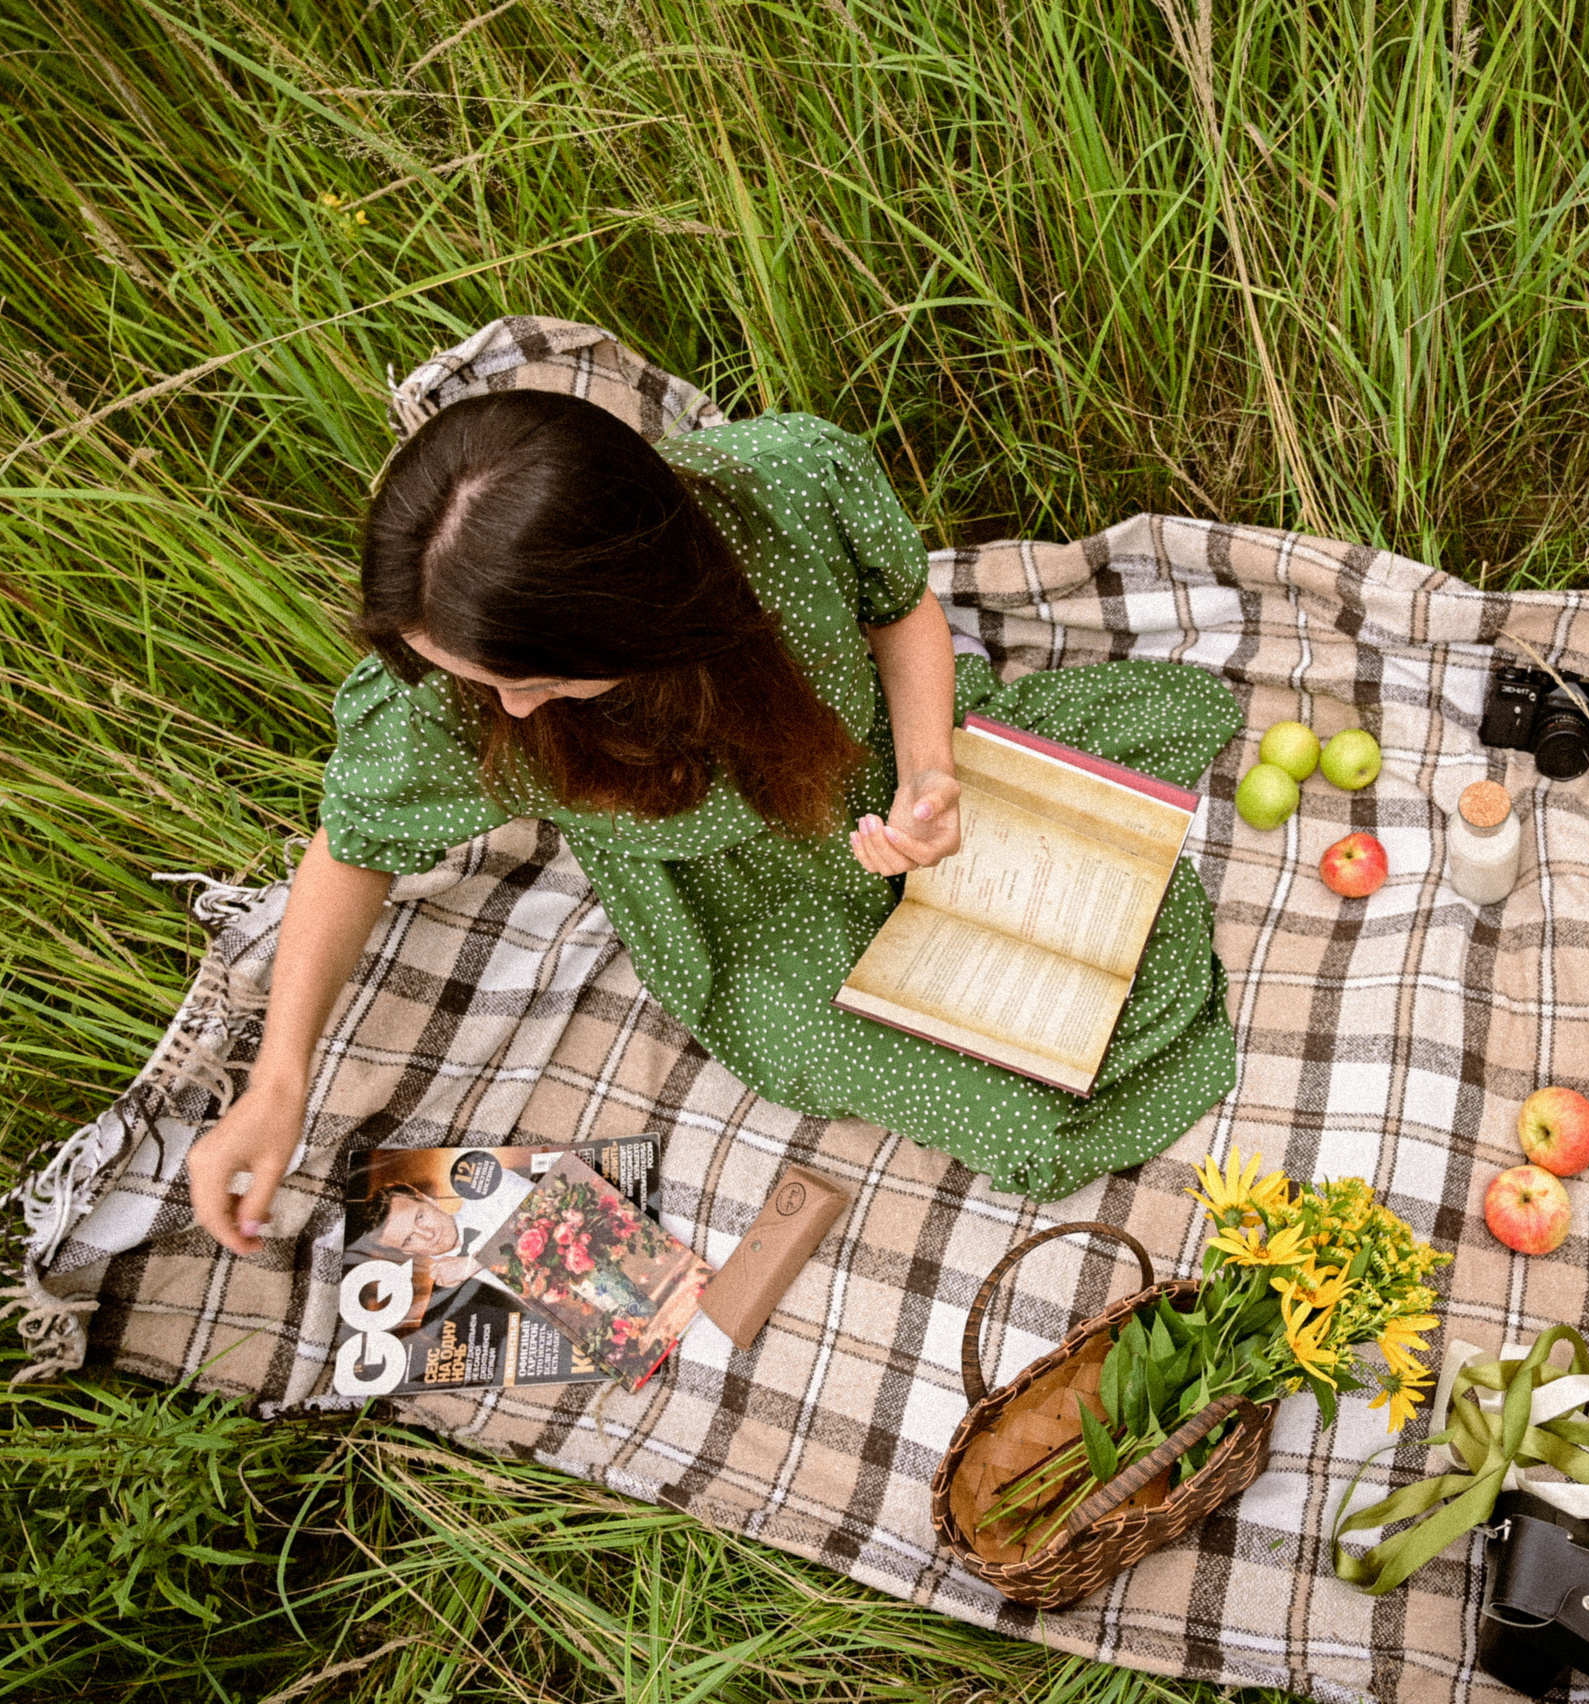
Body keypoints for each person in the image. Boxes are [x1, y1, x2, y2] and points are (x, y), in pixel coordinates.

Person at [184, 372, 1240, 1255]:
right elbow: (352, 846)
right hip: (737, 908)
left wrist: (929, 774)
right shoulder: (452, 713)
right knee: (1014, 1106)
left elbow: (897, 607)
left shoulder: (785, 487)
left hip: (865, 776)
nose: (508, 709)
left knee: (1100, 955)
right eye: (479, 679)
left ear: (651, 611)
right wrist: (279, 1080)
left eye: (543, 679)